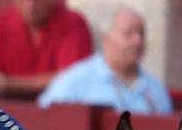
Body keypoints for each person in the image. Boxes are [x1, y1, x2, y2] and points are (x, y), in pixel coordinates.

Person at [38, 8, 172, 115]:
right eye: (129, 33)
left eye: (141, 33)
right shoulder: (76, 80)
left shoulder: (156, 88)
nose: (138, 41)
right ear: (106, 39)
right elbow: (45, 118)